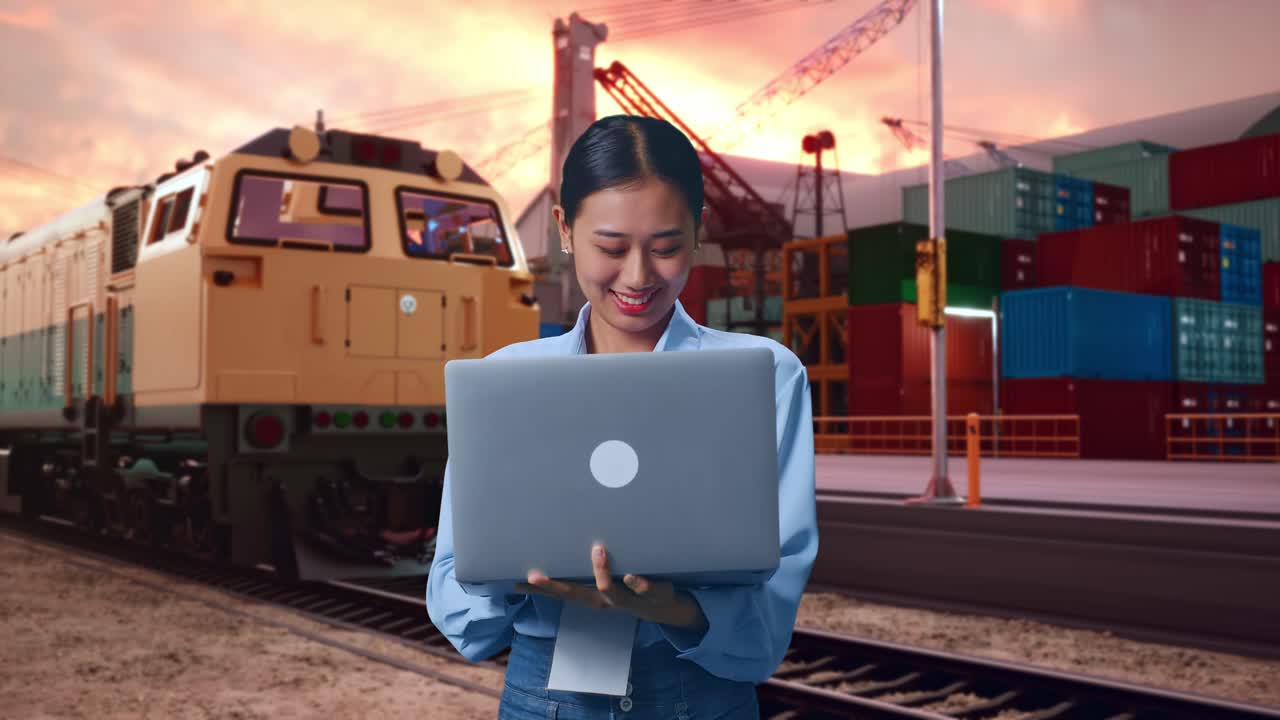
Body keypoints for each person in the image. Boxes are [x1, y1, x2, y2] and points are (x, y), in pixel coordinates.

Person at [425, 114, 818, 720]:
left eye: (665, 247)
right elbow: (455, 597)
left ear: (698, 230)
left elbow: (770, 623)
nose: (637, 277)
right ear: (564, 227)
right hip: (543, 696)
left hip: (700, 696)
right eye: (611, 248)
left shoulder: (767, 375)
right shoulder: (506, 381)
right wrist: (511, 582)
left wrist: (675, 610)